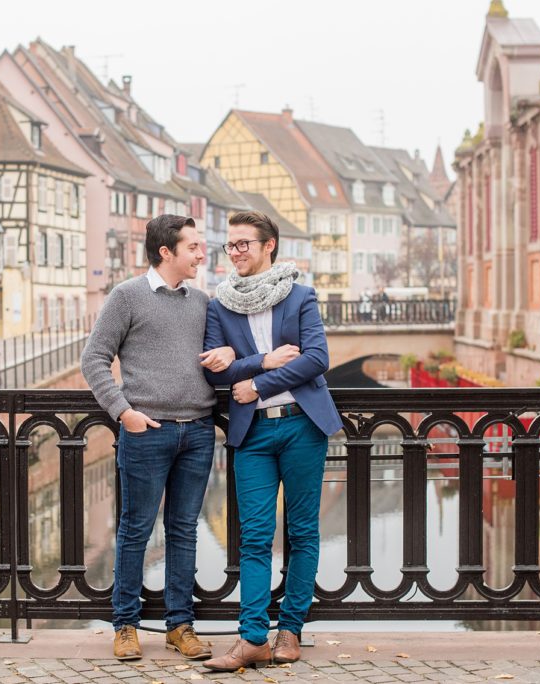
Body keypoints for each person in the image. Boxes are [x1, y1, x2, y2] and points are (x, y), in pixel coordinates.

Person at [81, 214, 235, 662]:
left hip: (199, 432)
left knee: (184, 530)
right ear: (166, 252)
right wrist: (123, 411)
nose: (202, 255)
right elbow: (94, 359)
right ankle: (125, 625)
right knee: (135, 531)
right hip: (146, 432)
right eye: (193, 247)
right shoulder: (127, 296)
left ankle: (179, 626)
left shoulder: (203, 301)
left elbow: (224, 353)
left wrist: (229, 352)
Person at [200, 210, 342, 672]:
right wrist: (263, 361)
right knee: (255, 536)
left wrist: (255, 382)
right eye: (231, 245)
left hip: (302, 426)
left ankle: (291, 631)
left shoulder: (300, 296)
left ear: (269, 246)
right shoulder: (218, 305)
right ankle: (253, 638)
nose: (236, 252)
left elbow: (316, 359)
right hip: (253, 434)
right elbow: (216, 370)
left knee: (302, 532)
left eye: (244, 243)